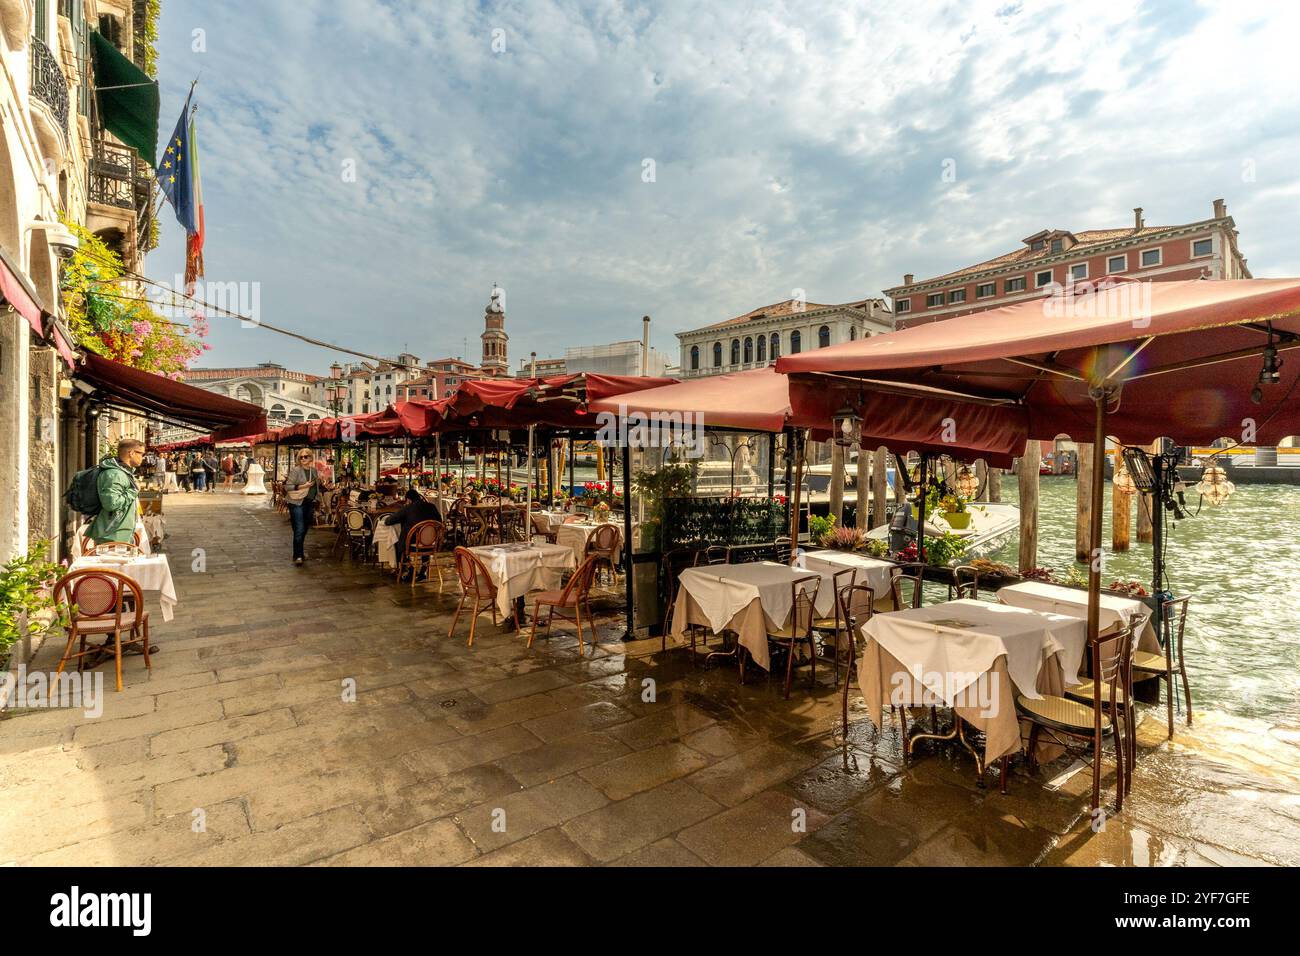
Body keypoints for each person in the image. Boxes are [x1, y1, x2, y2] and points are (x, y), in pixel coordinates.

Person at [87, 439, 144, 545]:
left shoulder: (122, 472)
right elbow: (111, 504)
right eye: (141, 453)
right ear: (131, 453)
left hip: (118, 532)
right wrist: (133, 490)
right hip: (112, 534)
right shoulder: (115, 474)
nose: (142, 457)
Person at [381, 488, 443, 570]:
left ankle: (409, 568)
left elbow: (389, 521)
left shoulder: (408, 508)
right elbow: (440, 522)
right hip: (432, 544)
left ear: (409, 500)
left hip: (413, 544)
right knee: (425, 537)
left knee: (396, 543)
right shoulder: (432, 506)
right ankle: (424, 569)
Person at [285, 449, 323, 566]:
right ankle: (298, 555)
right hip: (296, 502)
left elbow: (316, 488)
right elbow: (288, 487)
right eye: (301, 457)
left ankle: (299, 550)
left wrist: (321, 484)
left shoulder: (314, 471)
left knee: (304, 528)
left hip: (309, 502)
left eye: (305, 457)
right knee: (300, 529)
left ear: (311, 458)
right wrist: (303, 486)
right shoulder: (296, 470)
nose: (303, 459)